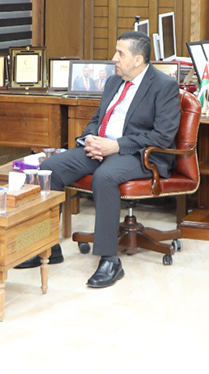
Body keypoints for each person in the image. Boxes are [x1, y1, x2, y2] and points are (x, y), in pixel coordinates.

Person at [21, 31, 180, 288]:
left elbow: (163, 135)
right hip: (101, 148)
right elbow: (98, 119)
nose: (113, 58)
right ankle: (46, 247)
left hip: (140, 154)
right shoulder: (114, 81)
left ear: (138, 59)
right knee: (49, 169)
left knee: (104, 177)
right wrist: (90, 140)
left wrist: (116, 145)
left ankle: (110, 260)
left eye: (120, 53)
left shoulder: (164, 85)